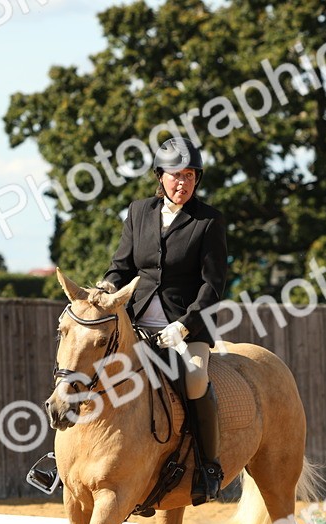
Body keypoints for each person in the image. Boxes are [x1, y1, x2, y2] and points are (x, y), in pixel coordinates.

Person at [98, 136, 229, 505]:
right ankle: (66, 458)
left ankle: (208, 467)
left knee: (195, 378)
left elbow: (212, 286)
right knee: (91, 366)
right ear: (161, 176)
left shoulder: (208, 221)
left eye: (189, 176)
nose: (182, 183)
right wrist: (106, 288)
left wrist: (184, 326)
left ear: (197, 179)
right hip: (136, 322)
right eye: (175, 175)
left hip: (185, 328)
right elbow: (121, 267)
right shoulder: (139, 211)